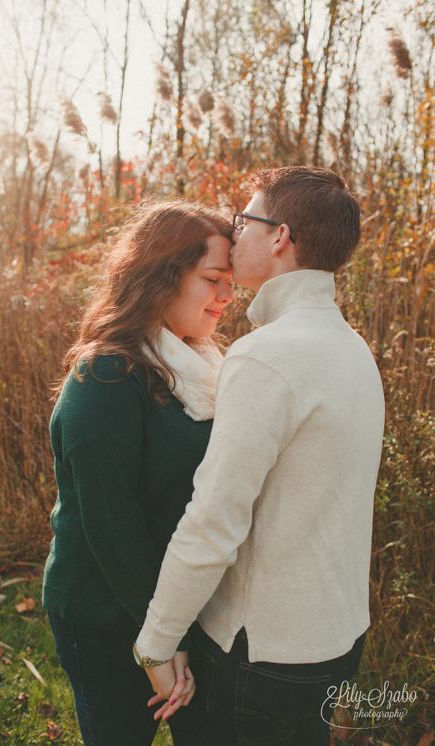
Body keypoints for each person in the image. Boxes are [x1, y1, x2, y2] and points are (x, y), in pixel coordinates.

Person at [134, 167, 385, 745]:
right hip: (338, 641)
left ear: (280, 237)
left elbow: (215, 519)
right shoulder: (354, 351)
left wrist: (157, 640)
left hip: (261, 654)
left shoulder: (265, 356)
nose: (233, 230)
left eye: (245, 219)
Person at [42, 201, 235, 745]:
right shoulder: (106, 373)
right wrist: (160, 642)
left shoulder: (203, 364)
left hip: (179, 607)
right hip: (105, 613)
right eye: (212, 279)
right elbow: (111, 522)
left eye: (230, 282)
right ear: (161, 277)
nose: (226, 296)